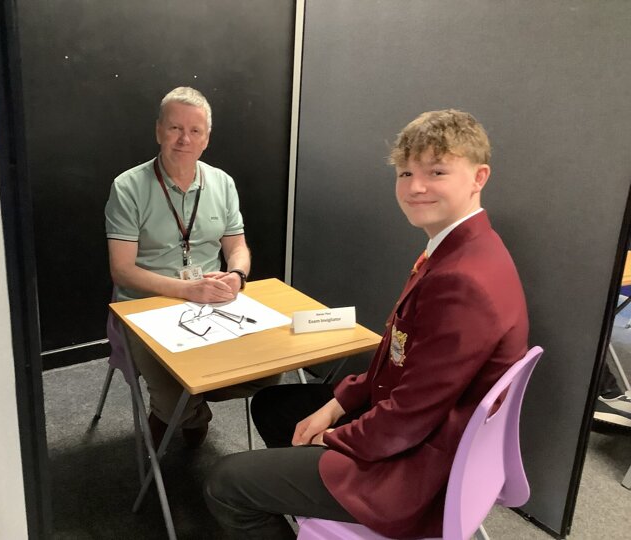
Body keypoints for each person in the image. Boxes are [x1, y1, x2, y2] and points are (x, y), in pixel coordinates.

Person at [204, 109, 530, 538]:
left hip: (417, 465)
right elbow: (398, 362)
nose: (415, 186)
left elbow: (410, 416)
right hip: (418, 427)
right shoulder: (463, 249)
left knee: (225, 484)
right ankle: (310, 507)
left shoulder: (462, 280)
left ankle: (317, 500)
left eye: (436, 171)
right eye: (405, 172)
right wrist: (338, 404)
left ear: (478, 177)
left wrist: (333, 439)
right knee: (273, 405)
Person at [105, 87, 278, 448]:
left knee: (268, 372)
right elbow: (122, 271)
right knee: (174, 398)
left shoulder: (222, 183)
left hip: (210, 301)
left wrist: (237, 275)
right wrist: (186, 289)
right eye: (175, 128)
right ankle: (188, 410)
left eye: (194, 131)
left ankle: (191, 400)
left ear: (206, 139)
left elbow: (237, 247)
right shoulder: (128, 186)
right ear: (159, 131)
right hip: (143, 306)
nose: (184, 139)